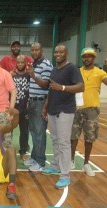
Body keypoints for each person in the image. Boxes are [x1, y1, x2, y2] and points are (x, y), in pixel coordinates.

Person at [42, 44, 84, 189]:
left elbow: (81, 86)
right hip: (52, 110)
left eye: (61, 52)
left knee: (64, 143)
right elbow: (52, 90)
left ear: (66, 53)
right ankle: (55, 166)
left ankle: (65, 175)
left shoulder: (72, 68)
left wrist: (63, 88)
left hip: (65, 111)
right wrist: (46, 106)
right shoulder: (54, 69)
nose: (57, 54)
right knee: (55, 140)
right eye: (56, 52)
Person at [71, 48, 107, 176]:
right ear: (82, 58)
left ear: (94, 58)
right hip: (77, 108)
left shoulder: (100, 72)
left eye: (90, 56)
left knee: (89, 138)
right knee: (73, 136)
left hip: (92, 110)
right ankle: (71, 161)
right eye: (85, 56)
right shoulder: (77, 71)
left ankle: (86, 163)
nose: (87, 59)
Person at [24, 42, 53, 171]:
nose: (34, 52)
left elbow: (46, 85)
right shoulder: (34, 64)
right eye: (32, 50)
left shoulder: (46, 64)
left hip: (41, 102)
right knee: (34, 131)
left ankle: (40, 162)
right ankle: (35, 157)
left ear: (41, 50)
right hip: (32, 102)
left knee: (40, 132)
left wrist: (33, 75)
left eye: (37, 50)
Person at [12, 55, 30, 161]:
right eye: (18, 62)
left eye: (22, 62)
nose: (20, 64)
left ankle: (23, 151)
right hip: (14, 107)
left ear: (25, 63)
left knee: (24, 131)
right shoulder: (11, 75)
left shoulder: (29, 75)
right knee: (9, 130)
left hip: (25, 108)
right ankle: (7, 149)